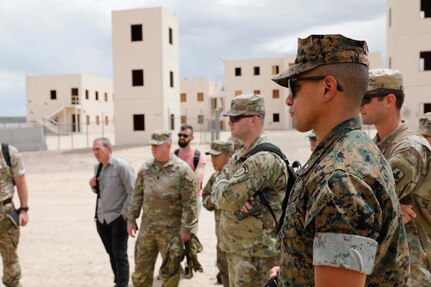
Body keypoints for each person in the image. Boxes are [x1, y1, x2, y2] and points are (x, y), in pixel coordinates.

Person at [270, 34, 410, 286]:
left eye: (294, 86)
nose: (288, 100)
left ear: (327, 88)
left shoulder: (341, 177)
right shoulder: (349, 150)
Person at [360, 68, 431, 285]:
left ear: (389, 100)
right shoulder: (376, 146)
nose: (359, 105)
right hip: (387, 265)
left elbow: (362, 206)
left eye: (366, 98)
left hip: (411, 270)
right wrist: (390, 206)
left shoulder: (409, 149)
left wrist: (381, 204)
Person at [212, 94, 289, 287]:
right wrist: (225, 187)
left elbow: (227, 199)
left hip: (257, 257)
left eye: (235, 118)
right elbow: (217, 190)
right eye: (229, 118)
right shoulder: (241, 154)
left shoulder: (263, 159)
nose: (230, 123)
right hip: (240, 250)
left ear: (254, 120)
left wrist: (226, 187)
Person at [127, 130, 198, 287]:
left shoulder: (183, 170)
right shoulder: (146, 168)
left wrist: (186, 229)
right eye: (152, 145)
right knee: (140, 272)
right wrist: (131, 219)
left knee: (171, 274)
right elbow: (137, 195)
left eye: (157, 146)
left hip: (171, 232)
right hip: (147, 230)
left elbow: (190, 203)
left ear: (168, 145)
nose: (153, 149)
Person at [89, 137, 135, 287]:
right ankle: (118, 281)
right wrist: (93, 186)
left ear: (109, 149)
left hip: (118, 217)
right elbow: (101, 192)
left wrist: (125, 215)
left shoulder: (121, 166)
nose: (95, 152)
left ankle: (123, 284)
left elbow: (132, 191)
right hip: (102, 219)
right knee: (111, 253)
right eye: (94, 149)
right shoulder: (98, 168)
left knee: (120, 254)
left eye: (98, 149)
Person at [202, 140, 234, 287]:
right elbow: (205, 198)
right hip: (221, 242)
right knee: (225, 274)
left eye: (216, 156)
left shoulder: (239, 176)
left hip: (241, 242)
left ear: (229, 156)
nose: (212, 160)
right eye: (211, 156)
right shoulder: (215, 178)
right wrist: (217, 200)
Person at [0, 143, 29, 287]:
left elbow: (21, 181)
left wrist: (24, 209)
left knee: (10, 260)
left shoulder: (9, 153)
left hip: (4, 214)